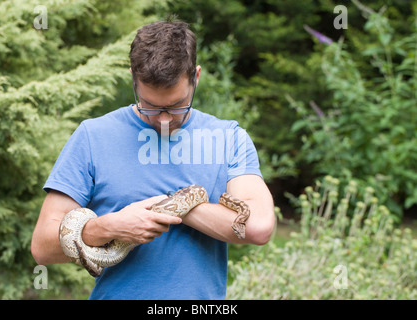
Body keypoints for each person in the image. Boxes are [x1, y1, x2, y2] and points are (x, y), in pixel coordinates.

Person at [31, 20, 275, 300]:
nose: (163, 120)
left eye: (175, 106)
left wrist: (173, 204)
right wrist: (108, 226)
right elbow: (42, 247)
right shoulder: (92, 136)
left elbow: (257, 227)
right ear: (133, 79)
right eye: (150, 106)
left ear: (196, 77)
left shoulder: (228, 137)